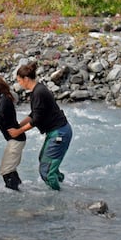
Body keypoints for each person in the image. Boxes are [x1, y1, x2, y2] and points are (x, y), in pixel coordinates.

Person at [8, 61, 72, 190]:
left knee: (46, 171)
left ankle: (59, 197)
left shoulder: (38, 93)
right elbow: (34, 114)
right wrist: (19, 125)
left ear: (26, 79)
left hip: (59, 133)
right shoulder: (38, 90)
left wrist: (18, 131)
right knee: (44, 160)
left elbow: (36, 120)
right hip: (58, 131)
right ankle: (64, 185)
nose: (19, 83)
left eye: (19, 80)